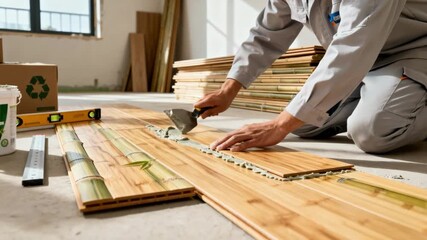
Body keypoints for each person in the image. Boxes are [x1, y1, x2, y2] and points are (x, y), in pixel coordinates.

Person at [194, 0, 427, 154]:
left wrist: (278, 125)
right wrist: (227, 90)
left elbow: (353, 46)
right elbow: (266, 35)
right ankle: (387, 100)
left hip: (414, 51)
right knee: (303, 124)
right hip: (364, 61)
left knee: (370, 132)